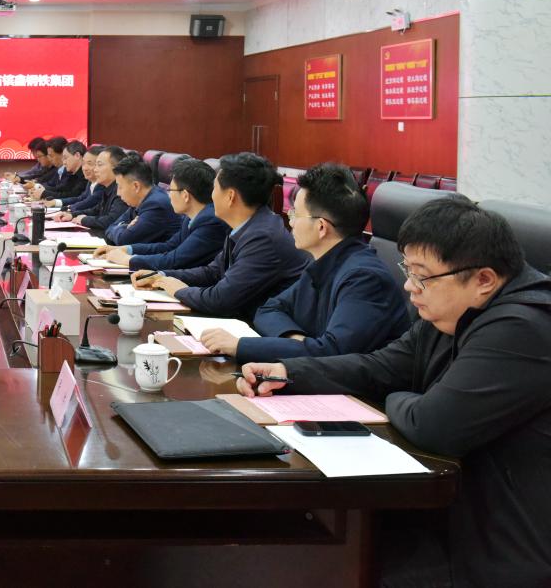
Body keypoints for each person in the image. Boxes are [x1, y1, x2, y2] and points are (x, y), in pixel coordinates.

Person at [235, 197, 551, 587]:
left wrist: (396, 399)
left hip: (499, 546)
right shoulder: (453, 310)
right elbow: (381, 367)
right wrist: (289, 372)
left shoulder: (524, 327)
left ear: (484, 280)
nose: (409, 287)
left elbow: (434, 425)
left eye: (423, 277)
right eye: (408, 270)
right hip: (448, 512)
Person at [200, 163, 409, 361]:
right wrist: (295, 340)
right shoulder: (323, 262)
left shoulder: (364, 278)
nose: (290, 222)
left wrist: (240, 346)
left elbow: (332, 354)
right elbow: (268, 309)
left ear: (321, 227)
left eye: (295, 214)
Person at [135, 152, 309, 321]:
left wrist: (178, 290)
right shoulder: (248, 225)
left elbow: (221, 300)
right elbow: (213, 272)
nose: (211, 196)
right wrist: (161, 276)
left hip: (266, 329)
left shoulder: (263, 238)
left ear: (230, 196)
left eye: (215, 188)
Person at [95, 158, 227, 271]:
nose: (168, 195)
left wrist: (128, 259)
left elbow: (175, 260)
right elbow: (168, 246)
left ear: (185, 195)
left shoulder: (210, 222)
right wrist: (127, 249)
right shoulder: (191, 217)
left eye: (171, 190)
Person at [103, 153, 181, 246]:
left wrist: (121, 227)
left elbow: (123, 240)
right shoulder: (140, 200)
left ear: (136, 186)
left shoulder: (156, 205)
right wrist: (125, 227)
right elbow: (110, 227)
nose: (118, 193)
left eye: (120, 187)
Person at [53, 146, 129, 234]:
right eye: (95, 165)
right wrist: (72, 215)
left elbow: (111, 220)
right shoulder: (108, 187)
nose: (95, 170)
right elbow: (96, 210)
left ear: (116, 168)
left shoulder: (122, 190)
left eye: (99, 165)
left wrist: (84, 220)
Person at [45, 145, 103, 210]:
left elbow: (88, 203)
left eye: (89, 164)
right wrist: (56, 202)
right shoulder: (90, 181)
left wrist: (68, 209)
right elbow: (80, 198)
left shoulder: (102, 185)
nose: (85, 168)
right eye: (83, 163)